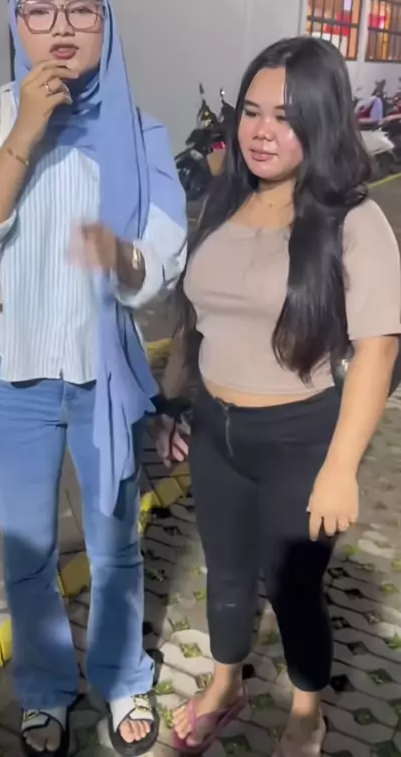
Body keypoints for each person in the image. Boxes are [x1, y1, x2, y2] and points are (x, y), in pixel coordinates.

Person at [0, 0, 186, 757]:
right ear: (17, 23)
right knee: (27, 553)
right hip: (11, 378)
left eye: (82, 8)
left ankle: (122, 677)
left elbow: (162, 260)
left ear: (106, 24)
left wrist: (123, 259)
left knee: (116, 547)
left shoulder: (139, 131)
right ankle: (45, 689)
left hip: (104, 382)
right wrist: (26, 131)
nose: (61, 26)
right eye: (38, 9)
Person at [155, 37, 401, 757]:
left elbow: (380, 348)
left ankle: (306, 712)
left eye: (286, 117)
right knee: (227, 576)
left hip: (301, 439)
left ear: (322, 121)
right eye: (252, 111)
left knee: (292, 588)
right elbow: (196, 317)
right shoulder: (225, 200)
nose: (261, 131)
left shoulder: (353, 220)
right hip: (215, 430)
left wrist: (340, 468)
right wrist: (174, 405)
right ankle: (224, 689)